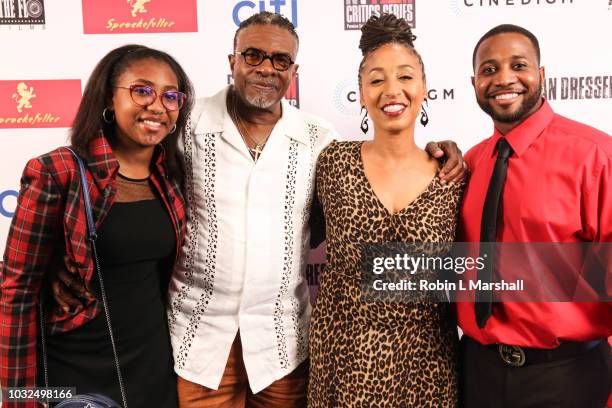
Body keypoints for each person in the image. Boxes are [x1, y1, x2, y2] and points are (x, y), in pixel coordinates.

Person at [49, 11, 466, 408]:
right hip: (199, 345)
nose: (267, 67)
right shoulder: (186, 124)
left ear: (293, 72)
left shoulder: (319, 139)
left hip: (282, 347)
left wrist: (445, 152)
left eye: (280, 59)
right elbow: (125, 182)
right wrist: (64, 257)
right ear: (232, 61)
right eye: (253, 55)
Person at [0, 44, 193, 408]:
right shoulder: (59, 172)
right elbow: (17, 291)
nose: (157, 106)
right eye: (142, 90)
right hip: (75, 366)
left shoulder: (171, 175)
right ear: (108, 97)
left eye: (170, 95)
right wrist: (17, 399)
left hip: (152, 365)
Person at [308, 14, 464, 407]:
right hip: (344, 364)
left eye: (406, 77)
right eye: (376, 80)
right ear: (360, 94)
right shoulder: (333, 164)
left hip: (429, 366)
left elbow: (472, 267)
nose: (392, 90)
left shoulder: (454, 175)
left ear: (425, 88)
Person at [457, 24, 612, 408]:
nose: (504, 78)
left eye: (518, 65)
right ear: (474, 82)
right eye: (489, 69)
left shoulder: (594, 156)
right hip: (477, 373)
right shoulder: (470, 164)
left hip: (567, 377)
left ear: (541, 75)